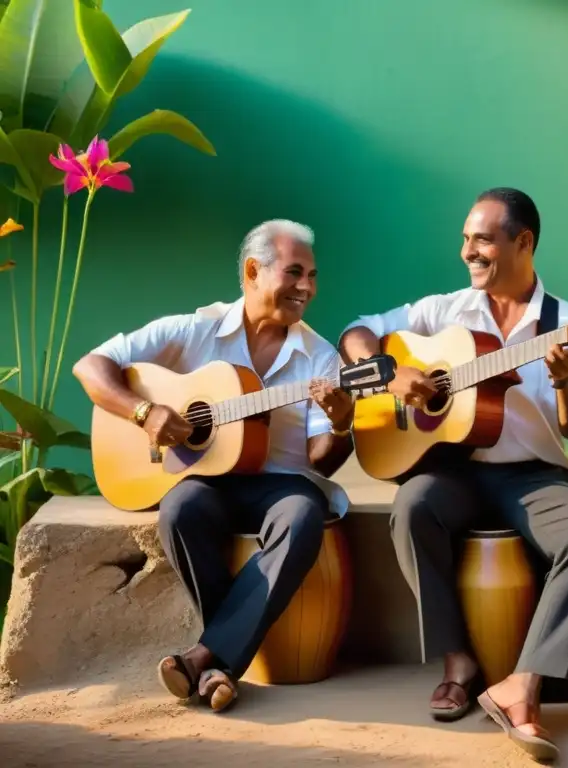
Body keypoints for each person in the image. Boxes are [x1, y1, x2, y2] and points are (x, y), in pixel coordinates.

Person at [339, 187, 568, 762]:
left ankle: (525, 684)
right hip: (453, 470)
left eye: (483, 240)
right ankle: (456, 660)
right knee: (413, 505)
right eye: (466, 239)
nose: (468, 251)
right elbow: (356, 331)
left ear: (524, 242)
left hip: (534, 475)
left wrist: (564, 382)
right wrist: (392, 373)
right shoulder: (446, 311)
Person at [73, 219, 356, 712]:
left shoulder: (320, 358)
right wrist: (143, 412)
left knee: (304, 514)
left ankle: (208, 656)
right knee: (181, 506)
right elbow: (91, 366)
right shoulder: (192, 331)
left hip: (281, 486)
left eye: (312, 275)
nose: (307, 287)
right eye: (294, 273)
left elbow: (322, 463)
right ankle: (221, 666)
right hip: (207, 480)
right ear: (252, 270)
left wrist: (341, 424)